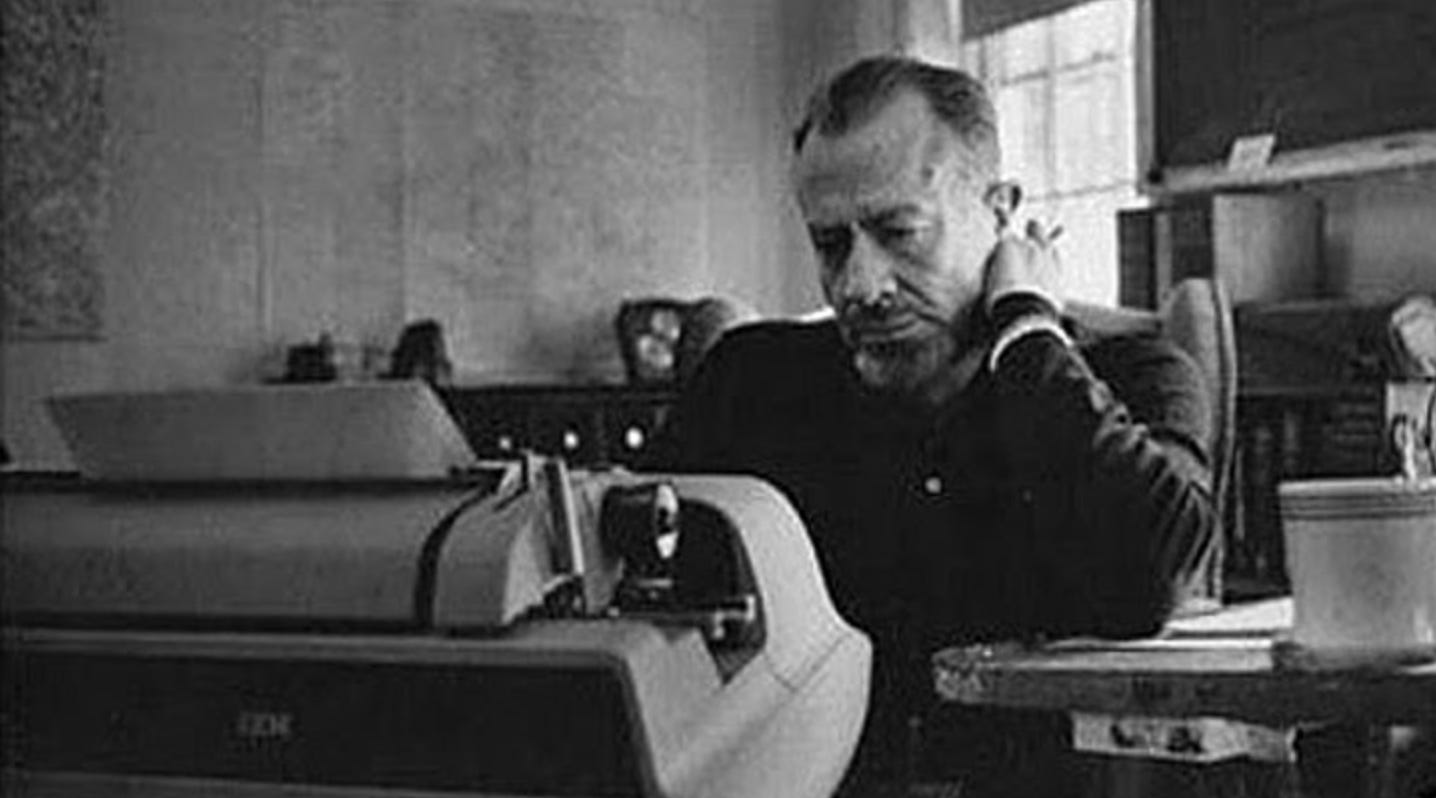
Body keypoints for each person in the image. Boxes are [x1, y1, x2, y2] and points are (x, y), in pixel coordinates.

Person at [644, 55, 1216, 796]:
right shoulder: (751, 382)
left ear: (1000, 214)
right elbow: (621, 586)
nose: (860, 286)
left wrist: (1028, 329)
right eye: (830, 245)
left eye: (900, 232)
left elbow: (1148, 582)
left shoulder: (1135, 377)